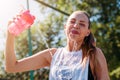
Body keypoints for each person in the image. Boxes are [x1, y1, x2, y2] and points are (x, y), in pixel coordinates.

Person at [4, 10, 110, 80]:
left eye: (82, 24)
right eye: (72, 21)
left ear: (87, 32)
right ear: (65, 27)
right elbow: (11, 66)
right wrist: (10, 34)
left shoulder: (93, 53)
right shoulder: (52, 54)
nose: (76, 25)